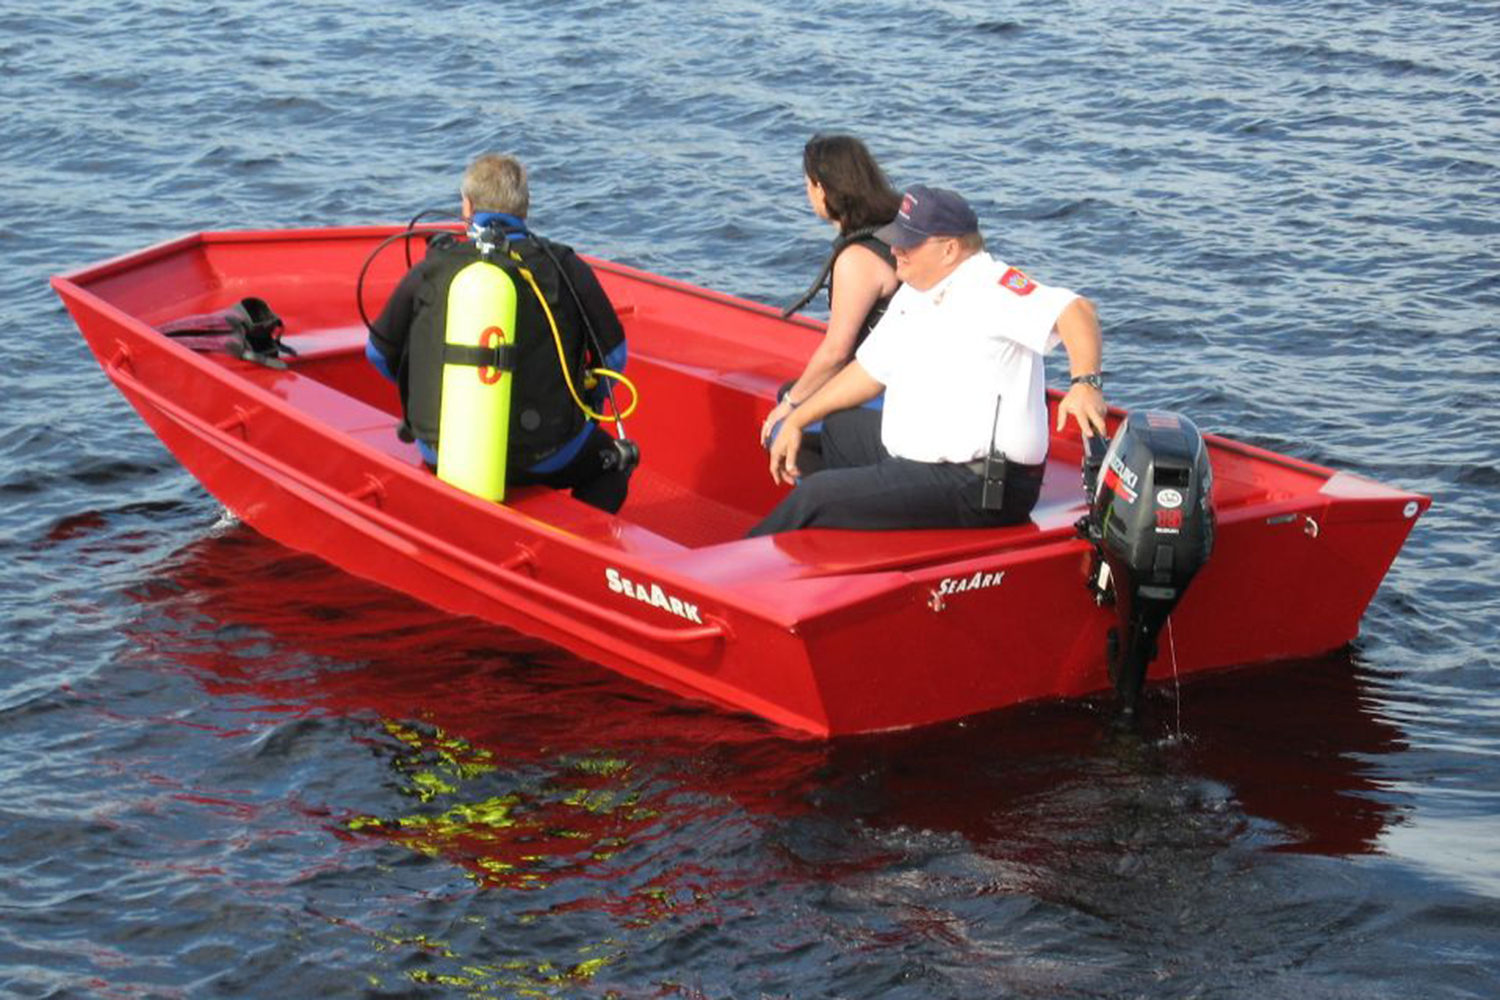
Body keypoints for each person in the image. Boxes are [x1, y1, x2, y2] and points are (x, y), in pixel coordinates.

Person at [748, 184, 1107, 536]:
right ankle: (849, 541)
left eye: (908, 241)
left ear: (950, 249)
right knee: (831, 429)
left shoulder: (990, 287)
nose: (895, 248)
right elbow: (868, 372)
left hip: (979, 485)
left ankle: (747, 569)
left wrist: (1085, 384)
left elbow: (1075, 310)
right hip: (919, 460)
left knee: (817, 496)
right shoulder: (917, 289)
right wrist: (798, 417)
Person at [367, 153, 632, 513]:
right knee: (614, 463)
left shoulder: (435, 265)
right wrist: (586, 403)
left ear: (467, 206)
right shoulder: (564, 265)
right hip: (545, 454)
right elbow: (614, 358)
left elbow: (379, 354)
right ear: (525, 207)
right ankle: (576, 547)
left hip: (443, 448)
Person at [760, 135, 902, 446]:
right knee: (791, 390)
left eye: (808, 185)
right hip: (911, 378)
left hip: (890, 390)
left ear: (821, 189)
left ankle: (830, 493)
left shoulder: (857, 259)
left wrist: (792, 406)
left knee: (784, 426)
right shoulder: (897, 230)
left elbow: (836, 352)